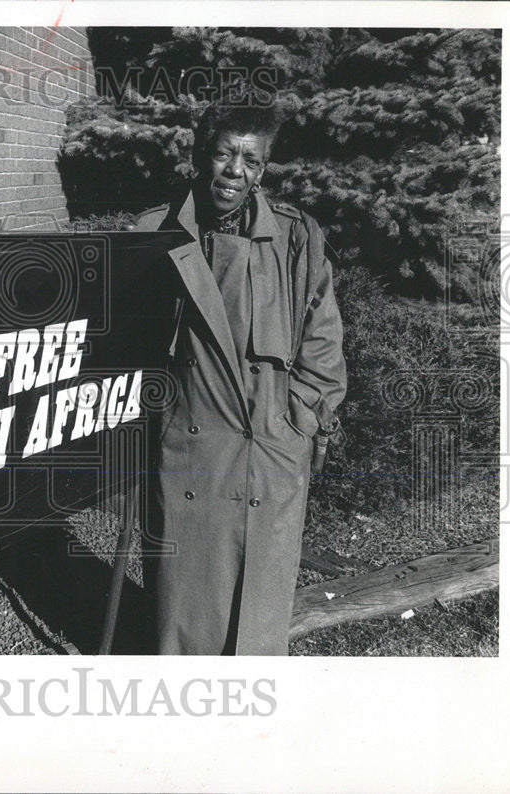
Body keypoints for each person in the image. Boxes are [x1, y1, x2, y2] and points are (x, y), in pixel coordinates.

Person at [132, 101, 347, 655]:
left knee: (260, 595)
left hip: (272, 434)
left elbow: (323, 333)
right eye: (225, 154)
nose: (235, 171)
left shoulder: (297, 236)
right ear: (202, 156)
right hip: (190, 438)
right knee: (188, 593)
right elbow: (124, 344)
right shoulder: (156, 231)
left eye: (251, 160)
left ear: (263, 170)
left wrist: (303, 415)